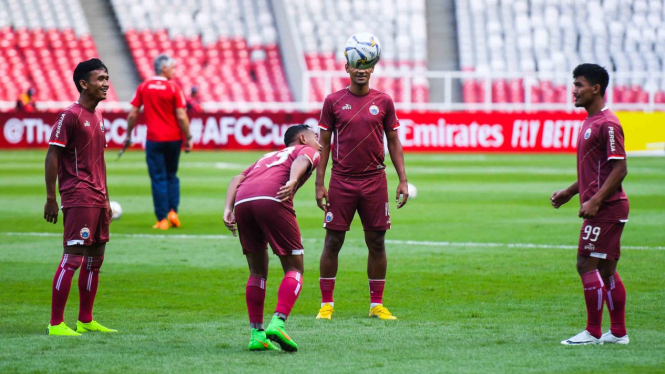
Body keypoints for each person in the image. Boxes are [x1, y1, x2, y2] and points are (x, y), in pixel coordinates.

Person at [314, 53, 409, 320]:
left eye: (366, 66)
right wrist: (320, 183)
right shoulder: (332, 102)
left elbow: (393, 142)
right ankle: (326, 304)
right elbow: (323, 144)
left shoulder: (384, 101)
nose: (361, 70)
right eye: (356, 65)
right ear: (347, 67)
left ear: (372, 69)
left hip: (374, 180)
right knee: (333, 241)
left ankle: (376, 305)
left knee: (377, 241)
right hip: (342, 181)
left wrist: (402, 179)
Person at [223, 125, 321, 352]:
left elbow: (237, 178)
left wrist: (228, 209)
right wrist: (293, 180)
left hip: (243, 202)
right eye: (316, 137)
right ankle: (278, 323)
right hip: (273, 198)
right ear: (303, 138)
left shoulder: (267, 156)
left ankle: (257, 335)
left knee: (257, 271)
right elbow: (302, 160)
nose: (320, 143)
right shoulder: (307, 150)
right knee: (295, 267)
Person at [552, 64, 630, 345]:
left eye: (579, 84)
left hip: (607, 208)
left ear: (595, 88)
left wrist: (595, 201)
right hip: (607, 207)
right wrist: (570, 192)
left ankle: (592, 332)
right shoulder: (590, 122)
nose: (573, 90)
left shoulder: (607, 124)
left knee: (585, 264)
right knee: (607, 269)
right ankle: (618, 333)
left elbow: (619, 169)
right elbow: (595, 171)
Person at [44, 58, 117, 336]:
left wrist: (107, 199)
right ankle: (56, 324)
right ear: (84, 83)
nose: (106, 84)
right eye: (100, 79)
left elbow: (100, 161)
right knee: (73, 258)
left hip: (98, 197)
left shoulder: (99, 116)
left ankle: (85, 319)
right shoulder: (70, 115)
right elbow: (53, 155)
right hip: (78, 195)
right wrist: (51, 197)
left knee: (94, 260)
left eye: (107, 78)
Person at [125, 53, 193, 230]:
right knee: (172, 175)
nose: (175, 71)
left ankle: (162, 219)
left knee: (158, 178)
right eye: (173, 67)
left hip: (154, 139)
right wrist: (188, 137)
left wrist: (128, 135)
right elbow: (181, 115)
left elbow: (133, 113)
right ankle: (173, 212)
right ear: (163, 68)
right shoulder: (174, 88)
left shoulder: (144, 86)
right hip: (174, 139)